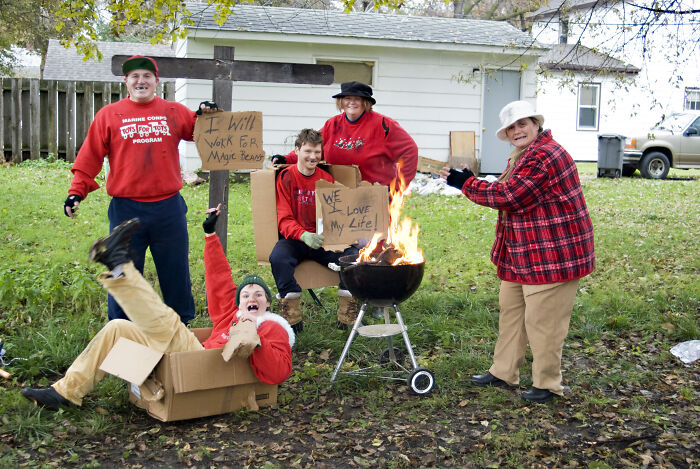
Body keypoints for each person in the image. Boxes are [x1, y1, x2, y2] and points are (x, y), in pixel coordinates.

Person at [21, 211, 294, 410]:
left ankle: (119, 266)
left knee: (171, 326)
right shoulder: (229, 315)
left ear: (268, 303)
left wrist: (255, 339)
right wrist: (210, 234)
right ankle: (67, 393)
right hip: (186, 361)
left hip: (206, 365)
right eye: (245, 295)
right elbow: (218, 277)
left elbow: (279, 372)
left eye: (259, 294)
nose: (251, 297)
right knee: (118, 328)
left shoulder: (271, 326)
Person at [439, 100, 595, 403]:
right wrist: (471, 179)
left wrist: (465, 184)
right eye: (511, 127)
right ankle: (504, 371)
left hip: (553, 255)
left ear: (536, 124)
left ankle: (547, 384)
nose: (516, 130)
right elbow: (503, 186)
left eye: (522, 124)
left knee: (543, 324)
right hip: (523, 254)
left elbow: (511, 196)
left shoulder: (545, 155)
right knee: (511, 314)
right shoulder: (524, 155)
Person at [63, 54, 218, 324]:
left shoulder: (173, 111)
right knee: (123, 276)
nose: (141, 80)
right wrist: (76, 191)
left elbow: (201, 131)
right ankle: (122, 332)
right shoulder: (109, 115)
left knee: (175, 273)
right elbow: (89, 156)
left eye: (147, 76)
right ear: (126, 82)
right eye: (134, 76)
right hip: (126, 210)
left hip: (168, 208)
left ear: (156, 81)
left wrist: (205, 114)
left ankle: (181, 332)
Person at [270, 129, 360, 333]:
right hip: (295, 239)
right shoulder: (285, 177)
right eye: (308, 151)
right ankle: (292, 317)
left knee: (352, 258)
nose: (313, 156)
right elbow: (283, 219)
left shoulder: (326, 179)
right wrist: (302, 234)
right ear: (297, 150)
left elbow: (337, 214)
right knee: (278, 258)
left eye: (317, 152)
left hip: (322, 240)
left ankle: (346, 316)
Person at [272, 81, 418, 190]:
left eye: (357, 98)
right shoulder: (332, 124)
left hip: (374, 195)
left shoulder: (384, 125)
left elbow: (410, 151)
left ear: (365, 102)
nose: (352, 102)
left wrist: (397, 185)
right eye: (348, 98)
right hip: (339, 194)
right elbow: (311, 146)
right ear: (341, 101)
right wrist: (286, 158)